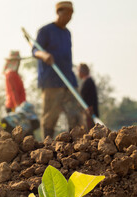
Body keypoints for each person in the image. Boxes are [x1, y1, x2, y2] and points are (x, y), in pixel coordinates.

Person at [32, 1, 82, 138]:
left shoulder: (67, 33)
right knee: (50, 117)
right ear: (58, 12)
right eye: (66, 14)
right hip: (51, 80)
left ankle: (77, 146)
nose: (68, 17)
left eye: (71, 15)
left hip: (68, 80)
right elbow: (35, 50)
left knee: (75, 115)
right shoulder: (45, 31)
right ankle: (47, 145)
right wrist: (44, 55)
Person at [78, 63, 99, 130]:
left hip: (90, 113)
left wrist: (90, 109)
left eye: (78, 71)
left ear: (83, 71)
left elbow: (90, 97)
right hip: (87, 112)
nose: (78, 73)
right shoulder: (86, 81)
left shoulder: (89, 82)